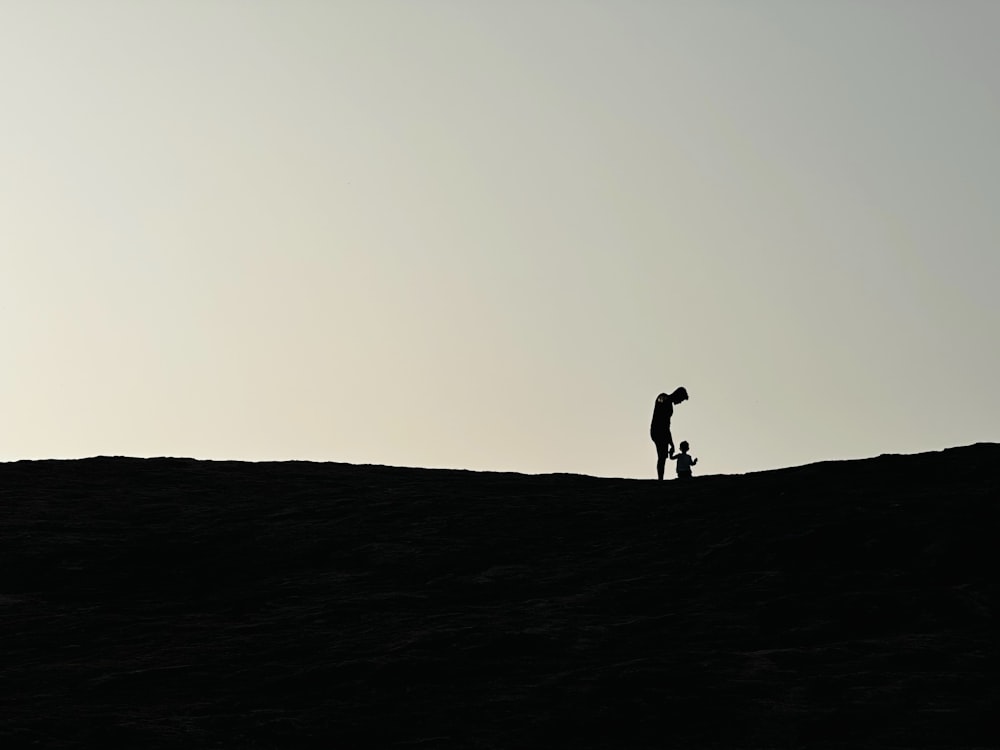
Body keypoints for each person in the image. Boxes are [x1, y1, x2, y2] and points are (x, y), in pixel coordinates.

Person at [650, 387, 689, 480]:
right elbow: (665, 426)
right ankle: (660, 479)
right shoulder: (663, 398)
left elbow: (667, 426)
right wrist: (671, 443)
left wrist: (671, 443)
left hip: (660, 432)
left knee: (662, 456)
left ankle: (660, 478)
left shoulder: (668, 404)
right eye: (681, 400)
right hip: (658, 431)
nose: (679, 402)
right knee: (662, 456)